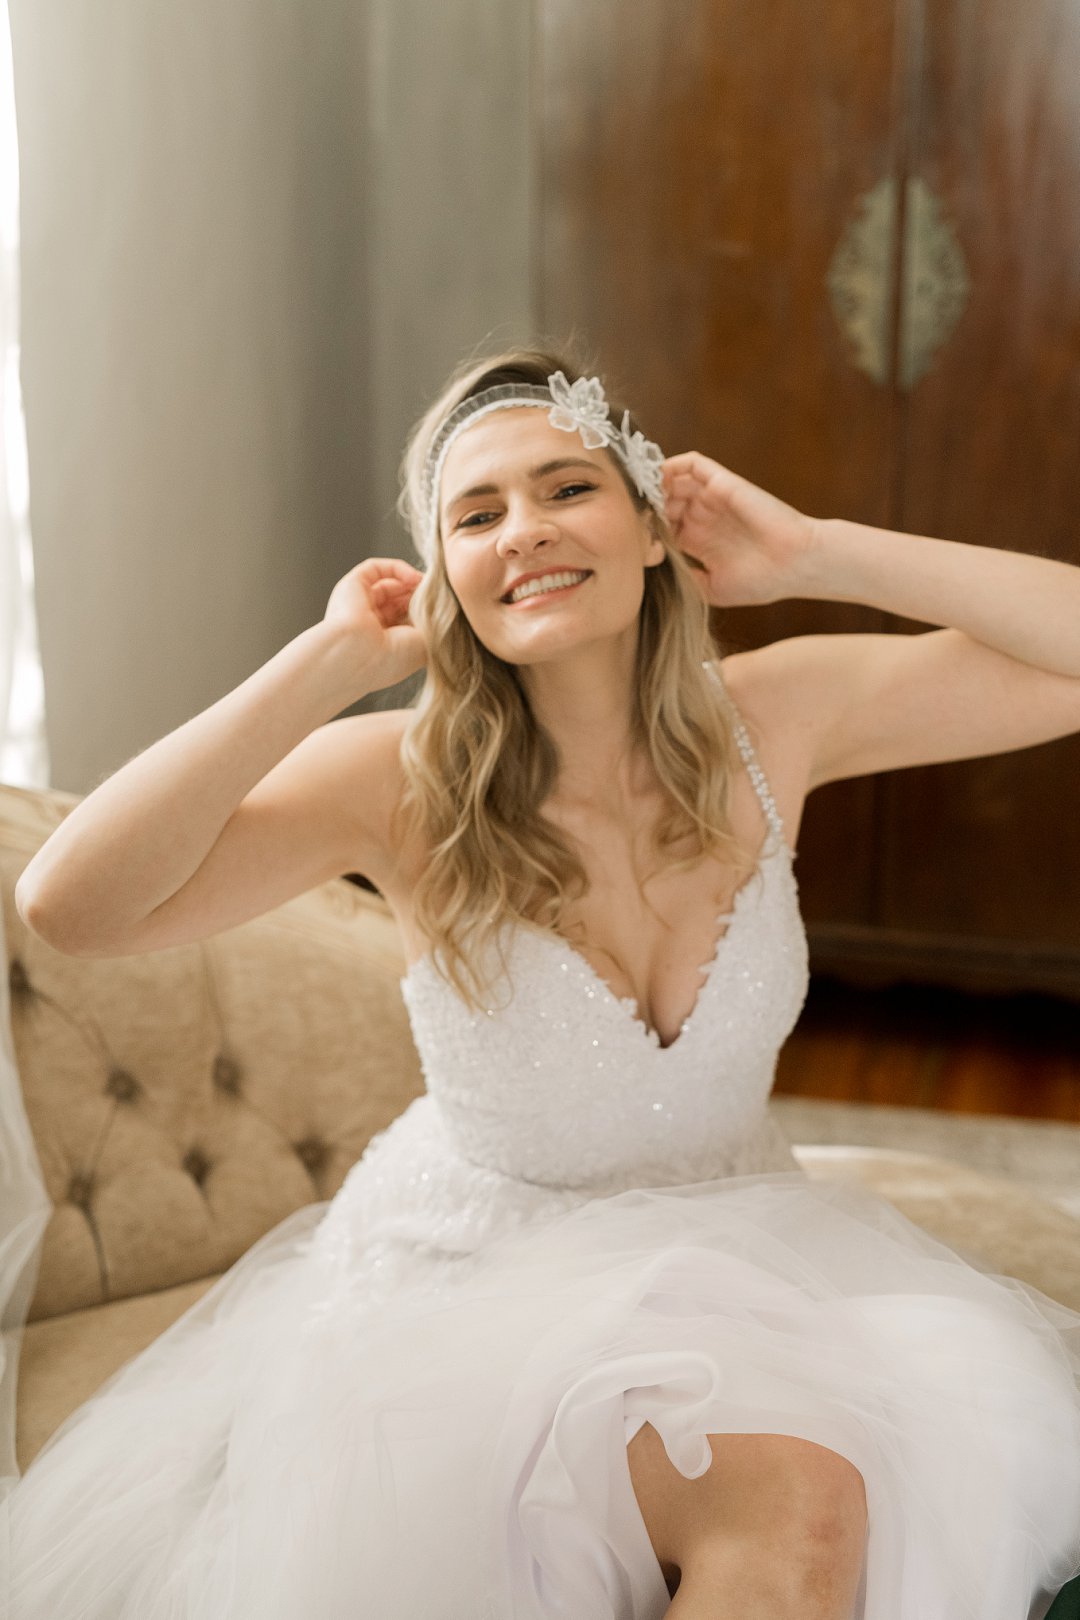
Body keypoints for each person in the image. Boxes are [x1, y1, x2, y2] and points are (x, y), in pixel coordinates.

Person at [4, 345, 1080, 1620]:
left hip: (742, 1257)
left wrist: (815, 554)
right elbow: (71, 905)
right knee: (802, 1503)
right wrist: (326, 665)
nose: (524, 529)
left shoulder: (773, 719)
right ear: (445, 580)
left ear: (651, 527)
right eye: (477, 515)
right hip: (482, 1299)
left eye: (567, 488)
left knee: (876, 1487)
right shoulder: (398, 783)